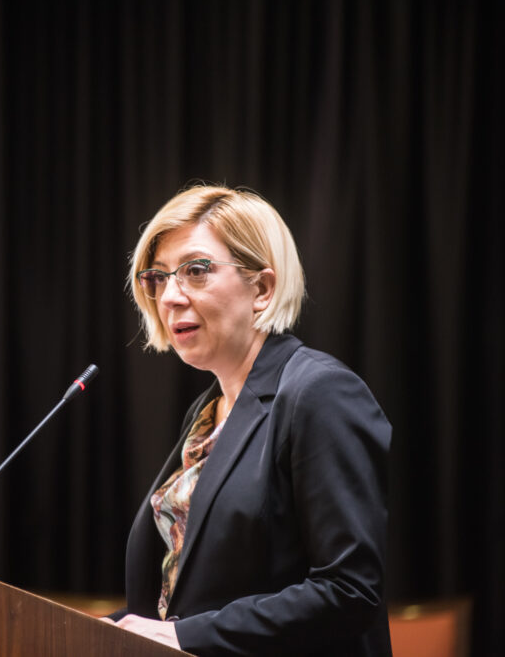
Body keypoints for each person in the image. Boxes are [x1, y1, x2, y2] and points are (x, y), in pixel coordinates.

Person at [107, 185, 392, 656]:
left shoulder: (319, 393)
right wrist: (104, 629)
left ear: (262, 289)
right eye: (158, 277)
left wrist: (185, 636)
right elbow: (191, 595)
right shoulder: (207, 412)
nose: (170, 296)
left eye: (195, 271)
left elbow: (349, 590)